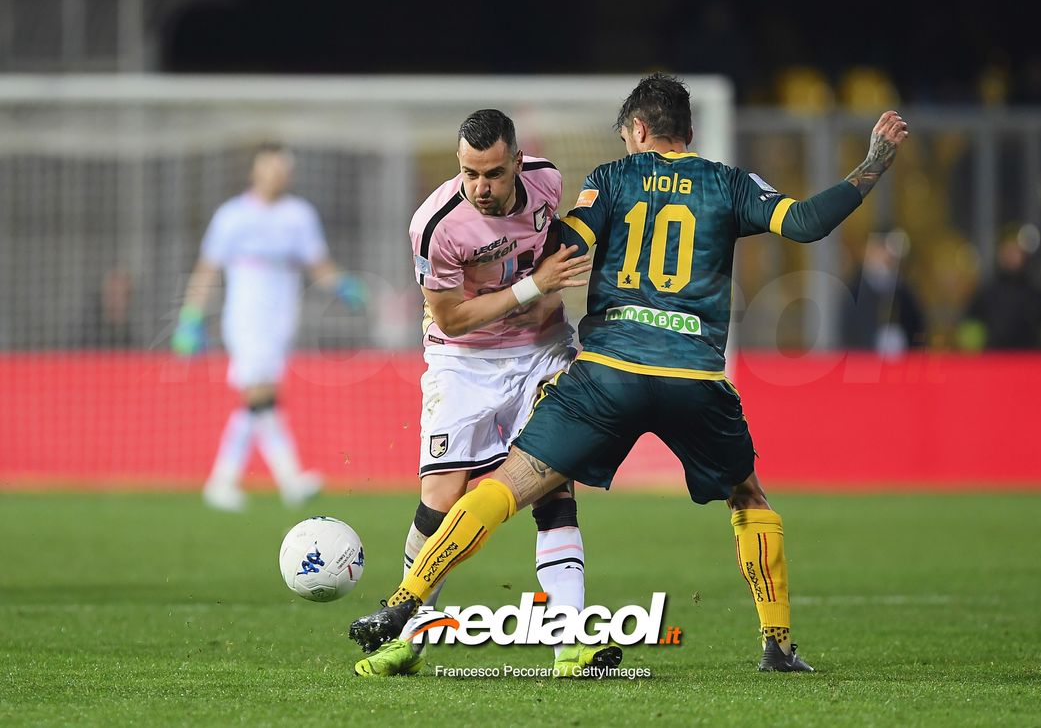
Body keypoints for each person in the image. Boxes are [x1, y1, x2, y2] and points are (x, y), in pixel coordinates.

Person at [348, 73, 909, 672]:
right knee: (746, 495)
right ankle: (777, 644)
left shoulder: (610, 178)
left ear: (638, 129)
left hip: (607, 375)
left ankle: (405, 601)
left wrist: (538, 280)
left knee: (511, 485)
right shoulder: (729, 183)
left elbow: (566, 243)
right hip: (693, 379)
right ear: (687, 130)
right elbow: (806, 223)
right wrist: (872, 164)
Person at [353, 109, 609, 679]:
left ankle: (570, 640)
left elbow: (556, 246)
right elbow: (452, 318)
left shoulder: (547, 180)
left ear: (517, 162)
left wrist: (549, 293)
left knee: (553, 484)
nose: (481, 187)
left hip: (540, 351)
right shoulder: (435, 225)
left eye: (493, 173)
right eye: (469, 173)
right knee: (440, 499)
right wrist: (533, 286)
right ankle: (409, 636)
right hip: (462, 361)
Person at [171, 141, 365, 512]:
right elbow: (207, 269)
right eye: (269, 168)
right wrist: (190, 317)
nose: (275, 175)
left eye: (282, 169)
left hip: (281, 319)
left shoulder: (299, 215)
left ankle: (225, 481)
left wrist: (343, 285)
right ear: (255, 171)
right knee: (260, 394)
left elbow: (318, 264)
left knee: (259, 399)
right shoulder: (232, 215)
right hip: (246, 315)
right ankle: (287, 479)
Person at [957, 225, 1041, 350]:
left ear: (1024, 255)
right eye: (1008, 250)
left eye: (1016, 251)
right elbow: (969, 333)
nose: (1012, 256)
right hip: (995, 359)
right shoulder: (986, 295)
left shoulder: (1037, 295)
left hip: (1031, 359)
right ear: (1000, 254)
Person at [841, 231, 926, 355]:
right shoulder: (855, 290)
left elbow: (917, 326)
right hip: (866, 359)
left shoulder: (904, 291)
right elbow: (849, 330)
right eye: (880, 249)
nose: (886, 257)